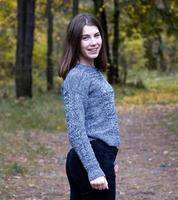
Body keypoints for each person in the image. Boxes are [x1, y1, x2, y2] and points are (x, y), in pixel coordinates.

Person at [58, 13, 121, 200]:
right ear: (75, 42)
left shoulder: (92, 72)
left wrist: (109, 161)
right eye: (85, 37)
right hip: (92, 159)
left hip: (100, 157)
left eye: (96, 35)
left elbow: (99, 121)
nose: (93, 42)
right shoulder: (77, 77)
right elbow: (76, 130)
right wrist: (94, 169)